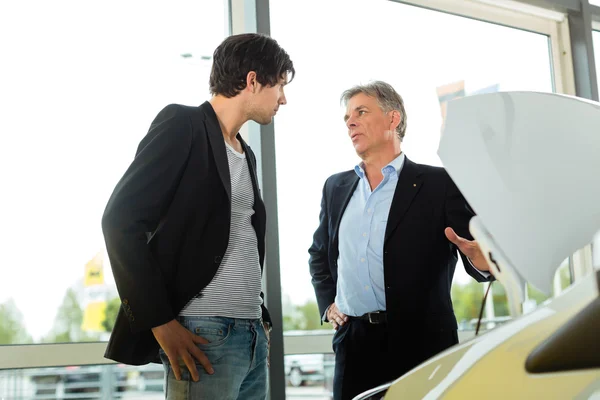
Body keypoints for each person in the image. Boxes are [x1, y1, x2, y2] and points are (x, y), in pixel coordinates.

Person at [101, 33, 294, 400]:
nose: (284, 98)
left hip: (251, 335)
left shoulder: (244, 153)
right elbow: (119, 221)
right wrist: (160, 322)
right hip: (205, 336)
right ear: (252, 81)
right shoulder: (182, 125)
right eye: (280, 85)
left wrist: (259, 320)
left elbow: (233, 238)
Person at [308, 81, 492, 400]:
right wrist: (329, 304)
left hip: (422, 346)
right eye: (347, 117)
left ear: (393, 119)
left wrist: (483, 260)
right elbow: (319, 254)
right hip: (354, 345)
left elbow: (476, 252)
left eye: (361, 112)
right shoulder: (335, 187)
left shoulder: (439, 183)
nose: (350, 122)